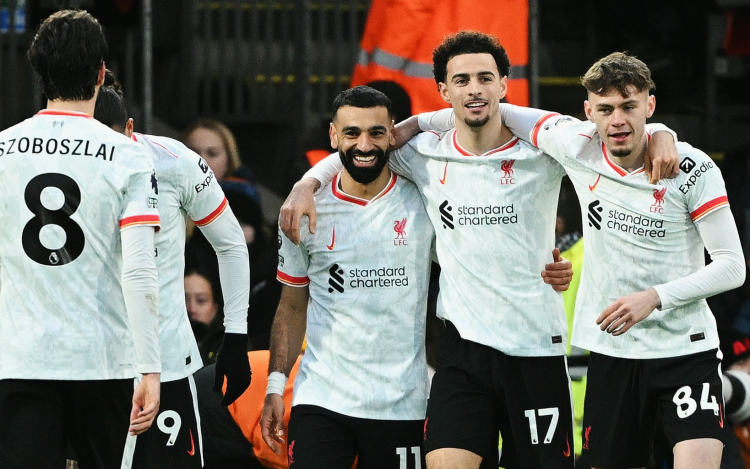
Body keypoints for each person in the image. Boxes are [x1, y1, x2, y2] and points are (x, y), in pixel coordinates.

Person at [279, 32, 677, 469]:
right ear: (444, 90)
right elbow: (361, 148)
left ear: (503, 84)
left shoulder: (543, 151)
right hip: (463, 352)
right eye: (462, 80)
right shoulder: (422, 154)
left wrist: (661, 131)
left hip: (535, 350)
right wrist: (307, 184)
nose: (474, 89)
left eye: (485, 78)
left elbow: (614, 129)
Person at [422, 51, 746, 469]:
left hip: (686, 350)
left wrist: (654, 297)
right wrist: (411, 126)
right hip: (613, 352)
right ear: (589, 113)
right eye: (606, 109)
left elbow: (732, 266)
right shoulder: (576, 146)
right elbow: (484, 110)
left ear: (649, 105)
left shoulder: (692, 168)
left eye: (629, 107)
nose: (618, 120)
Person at [0, 10, 161, 469]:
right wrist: (150, 366)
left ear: (39, 72)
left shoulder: (2, 149)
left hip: (21, 358)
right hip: (103, 360)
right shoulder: (129, 156)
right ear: (101, 74)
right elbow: (139, 269)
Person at [261, 85, 436, 469]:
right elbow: (292, 306)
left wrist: (544, 270)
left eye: (376, 132)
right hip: (322, 400)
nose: (364, 145)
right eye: (352, 133)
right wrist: (275, 387)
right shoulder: (303, 211)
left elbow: (470, 262)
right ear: (333, 135)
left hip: (401, 404)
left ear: (393, 134)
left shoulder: (422, 202)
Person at [94, 73, 253, 468]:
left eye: (113, 143)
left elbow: (231, 244)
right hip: (89, 364)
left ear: (129, 128)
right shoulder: (57, 164)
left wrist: (236, 335)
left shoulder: (174, 162)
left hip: (168, 364)